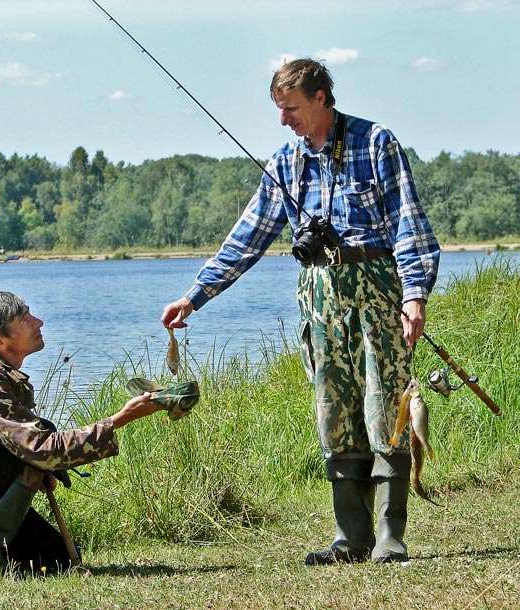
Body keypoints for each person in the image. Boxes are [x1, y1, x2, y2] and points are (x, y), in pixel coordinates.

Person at [161, 58, 440, 565]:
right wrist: (194, 296)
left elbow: (409, 224)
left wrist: (414, 294)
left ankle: (388, 539)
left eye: (290, 109)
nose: (283, 120)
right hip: (319, 297)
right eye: (278, 110)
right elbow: (247, 238)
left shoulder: (377, 143)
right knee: (333, 417)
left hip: (378, 291)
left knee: (386, 412)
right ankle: (349, 539)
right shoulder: (284, 162)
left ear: (320, 99)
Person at [0, 291, 165, 574]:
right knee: (34, 446)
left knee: (56, 561)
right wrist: (120, 419)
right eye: (25, 319)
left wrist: (37, 469)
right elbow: (42, 448)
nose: (39, 322)